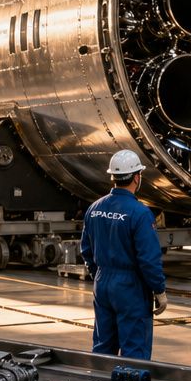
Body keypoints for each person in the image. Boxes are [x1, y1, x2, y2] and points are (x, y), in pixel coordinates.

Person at [80, 149, 168, 360]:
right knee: (134, 349)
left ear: (113, 177)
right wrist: (159, 290)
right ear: (137, 178)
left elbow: (86, 249)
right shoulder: (140, 213)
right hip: (131, 288)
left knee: (103, 346)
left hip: (102, 283)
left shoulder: (94, 208)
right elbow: (148, 259)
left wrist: (99, 274)